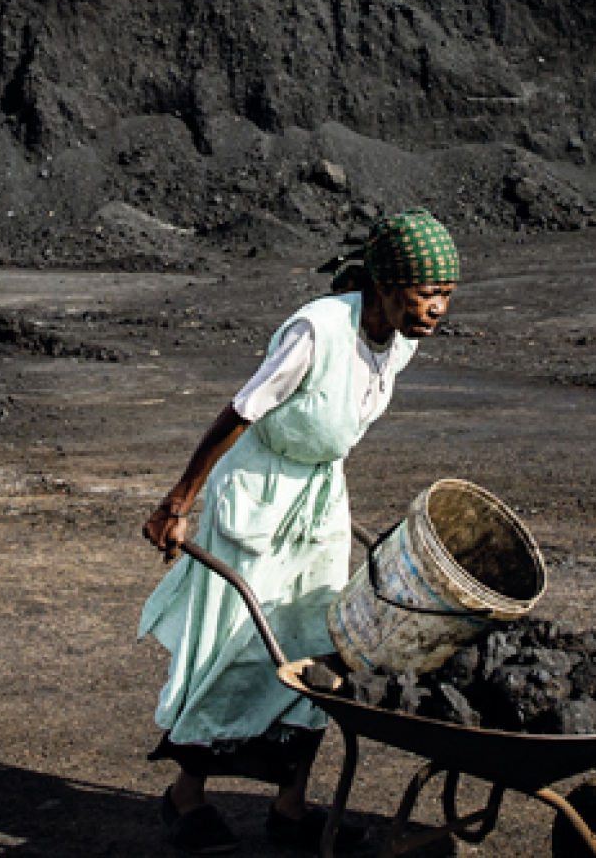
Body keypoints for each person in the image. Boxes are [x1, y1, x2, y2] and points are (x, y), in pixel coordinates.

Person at [139, 209, 459, 854]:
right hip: (258, 490)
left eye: (446, 296)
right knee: (233, 641)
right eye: (428, 294)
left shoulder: (399, 338)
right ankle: (185, 798)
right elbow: (242, 410)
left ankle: (290, 809)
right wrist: (178, 501)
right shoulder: (317, 329)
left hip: (318, 492)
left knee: (317, 645)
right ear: (387, 286)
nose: (437, 309)